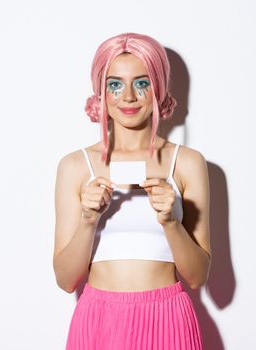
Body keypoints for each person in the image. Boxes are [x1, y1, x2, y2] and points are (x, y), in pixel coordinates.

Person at [53, 32, 211, 350]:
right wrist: (87, 220)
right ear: (101, 91)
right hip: (98, 320)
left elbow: (197, 276)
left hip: (168, 318)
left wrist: (170, 222)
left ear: (159, 88)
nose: (128, 97)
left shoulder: (187, 163)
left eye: (142, 83)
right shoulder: (75, 166)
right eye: (115, 84)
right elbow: (66, 280)